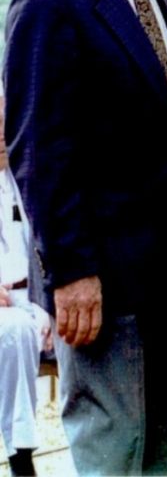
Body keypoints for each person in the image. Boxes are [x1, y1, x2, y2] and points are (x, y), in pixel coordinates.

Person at [3, 0, 167, 475]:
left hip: (161, 273)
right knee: (113, 446)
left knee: (159, 451)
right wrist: (73, 272)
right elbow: (39, 153)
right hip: (100, 276)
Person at [0, 92, 50, 477]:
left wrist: (48, 306)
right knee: (15, 332)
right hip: (6, 310)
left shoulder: (30, 178)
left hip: (34, 299)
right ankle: (21, 454)